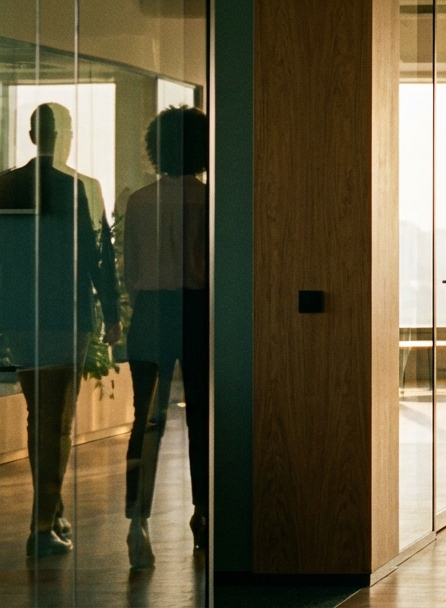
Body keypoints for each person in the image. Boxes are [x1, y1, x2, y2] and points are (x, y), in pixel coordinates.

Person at [0, 103, 122, 558]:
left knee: (39, 416)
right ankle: (42, 524)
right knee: (59, 422)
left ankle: (51, 508)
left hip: (20, 315)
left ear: (33, 136)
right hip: (66, 314)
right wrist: (112, 312)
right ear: (63, 136)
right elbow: (95, 254)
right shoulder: (76, 187)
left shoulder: (6, 184)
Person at [120, 106, 212, 569]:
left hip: (151, 312)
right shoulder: (209, 200)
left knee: (146, 419)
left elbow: (130, 271)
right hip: (197, 311)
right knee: (202, 417)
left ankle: (138, 520)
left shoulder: (139, 201)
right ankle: (204, 512)